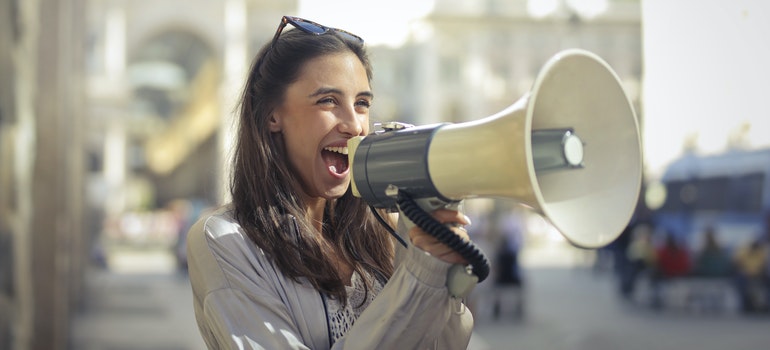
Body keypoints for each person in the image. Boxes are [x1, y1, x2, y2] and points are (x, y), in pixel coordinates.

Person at [185, 16, 474, 349]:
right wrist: (419, 280)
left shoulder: (387, 230)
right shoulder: (225, 241)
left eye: (362, 103)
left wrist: (441, 279)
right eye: (328, 101)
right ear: (272, 116)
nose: (354, 125)